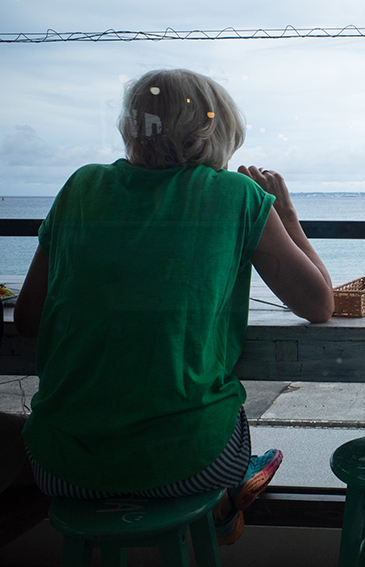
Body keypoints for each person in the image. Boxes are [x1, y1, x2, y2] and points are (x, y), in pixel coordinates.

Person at [13, 68, 335, 545]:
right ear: (215, 128)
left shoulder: (81, 187)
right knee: (221, 414)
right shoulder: (237, 195)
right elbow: (319, 305)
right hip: (190, 464)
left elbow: (28, 319)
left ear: (133, 127)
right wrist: (285, 215)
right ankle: (226, 494)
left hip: (61, 469)